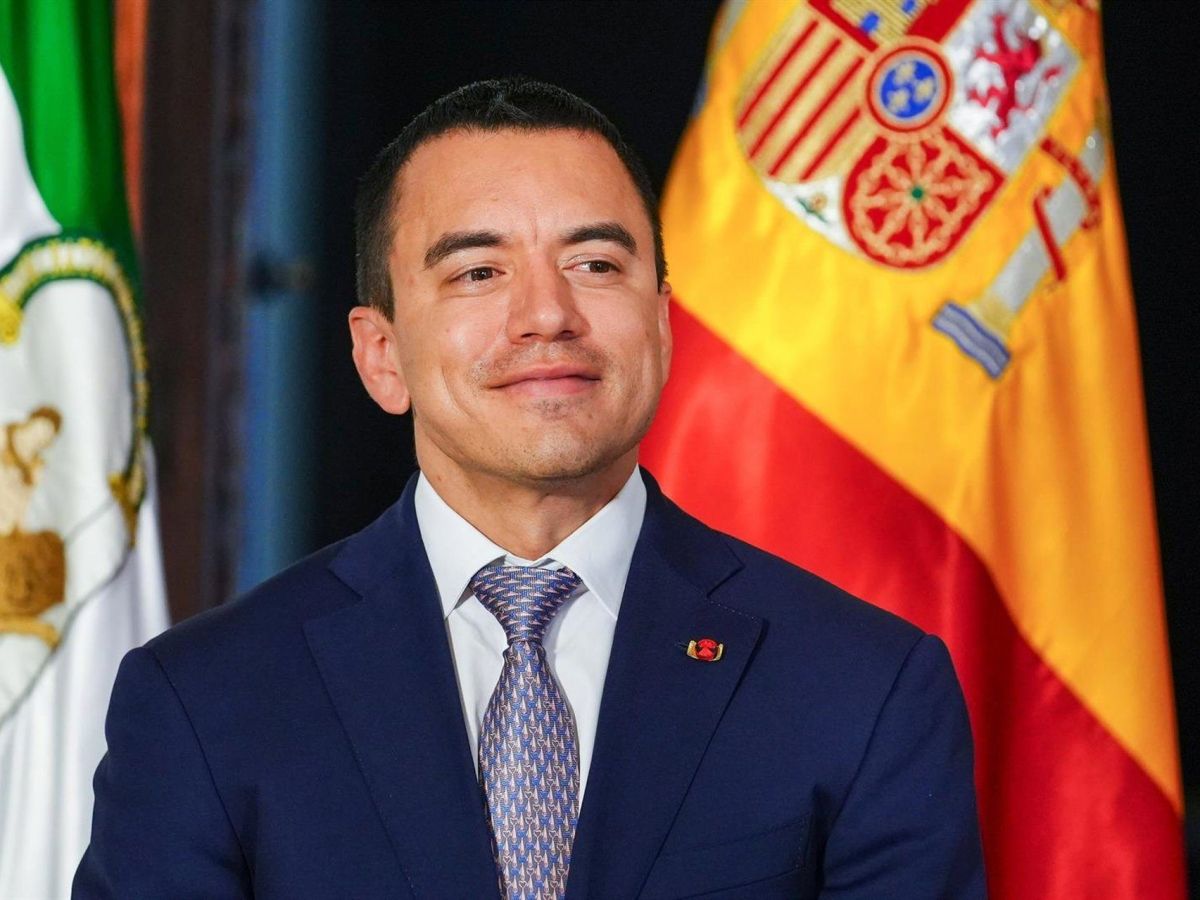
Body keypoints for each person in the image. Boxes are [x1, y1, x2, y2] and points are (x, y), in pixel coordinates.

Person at [74, 78, 985, 899]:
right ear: (381, 355)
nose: (548, 314)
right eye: (479, 272)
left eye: (596, 265)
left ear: (662, 328)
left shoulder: (863, 688)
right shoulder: (204, 700)